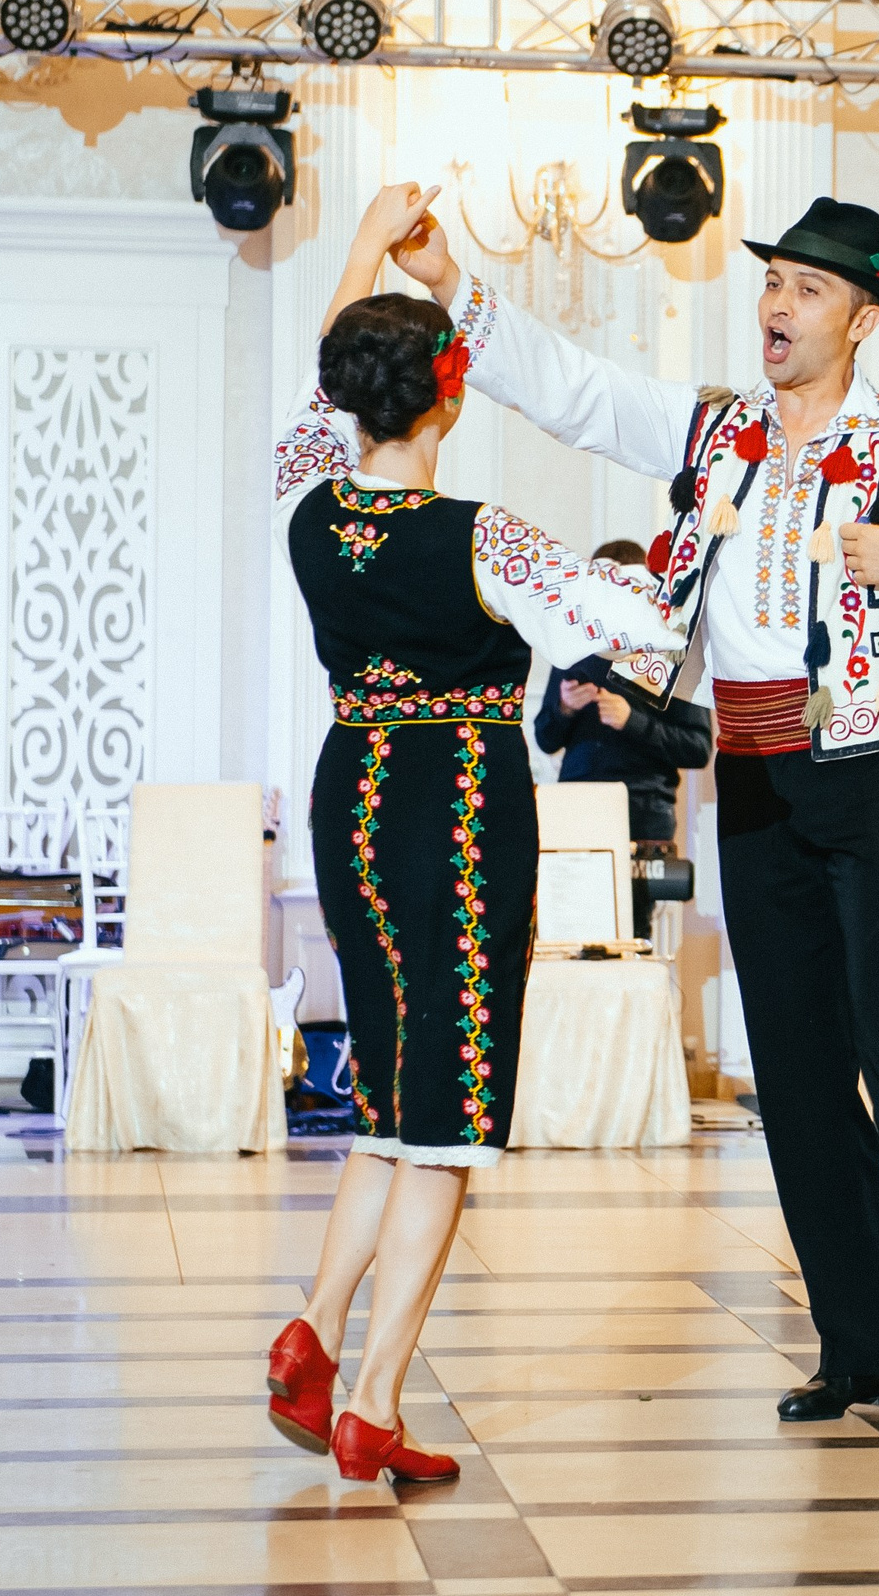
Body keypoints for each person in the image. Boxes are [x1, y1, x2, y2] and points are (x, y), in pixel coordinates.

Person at [397, 198, 879, 1430]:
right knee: (795, 1074)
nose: (777, 309)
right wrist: (455, 288)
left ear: (860, 318)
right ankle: (855, 1343)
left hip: (875, 772)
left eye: (806, 291)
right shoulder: (717, 432)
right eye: (773, 286)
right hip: (748, 776)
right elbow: (577, 391)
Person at [265, 185, 682, 1482]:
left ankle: (317, 1334)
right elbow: (638, 624)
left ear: (352, 396)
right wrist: (704, 539)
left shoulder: (309, 503)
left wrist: (357, 243)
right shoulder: (481, 538)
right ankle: (373, 1400)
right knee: (446, 1119)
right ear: (449, 398)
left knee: (395, 1092)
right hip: (453, 817)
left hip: (355, 793)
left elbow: (333, 373)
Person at [535, 550, 714, 937]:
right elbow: (544, 738)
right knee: (570, 935)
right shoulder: (573, 646)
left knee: (632, 933)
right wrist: (564, 708)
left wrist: (633, 721)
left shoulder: (669, 651)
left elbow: (698, 748)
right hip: (576, 810)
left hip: (642, 812)